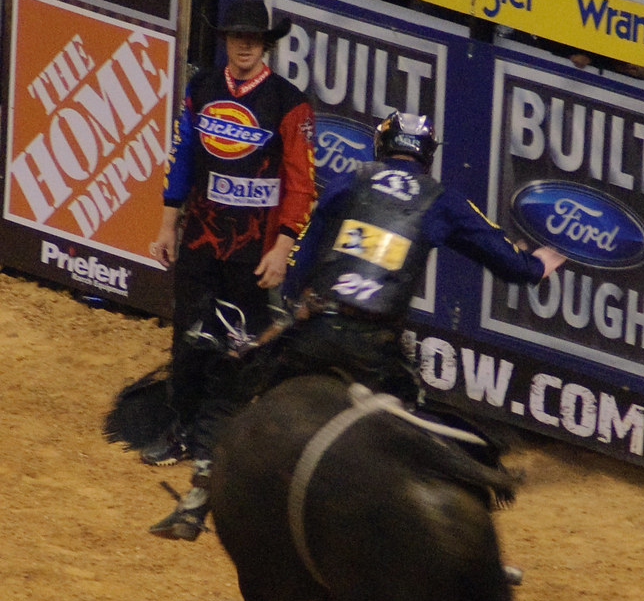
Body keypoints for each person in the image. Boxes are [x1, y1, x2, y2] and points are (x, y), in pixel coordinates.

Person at [150, 110, 565, 541]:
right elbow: (502, 257)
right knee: (416, 423)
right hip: (376, 346)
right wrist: (534, 266)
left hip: (316, 329)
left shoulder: (351, 180)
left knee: (233, 389)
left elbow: (305, 253)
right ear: (426, 156)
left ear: (381, 147)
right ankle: (462, 519)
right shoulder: (441, 200)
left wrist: (294, 308)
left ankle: (196, 503)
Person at [141, 0, 316, 477]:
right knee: (188, 338)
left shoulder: (289, 102)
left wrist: (283, 246)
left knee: (239, 346)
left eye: (252, 37)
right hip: (199, 238)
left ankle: (219, 443)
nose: (244, 44)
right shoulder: (201, 87)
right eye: (236, 36)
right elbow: (183, 158)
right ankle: (181, 430)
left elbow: (301, 181)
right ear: (225, 40)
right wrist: (166, 224)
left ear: (265, 44)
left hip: (254, 251)